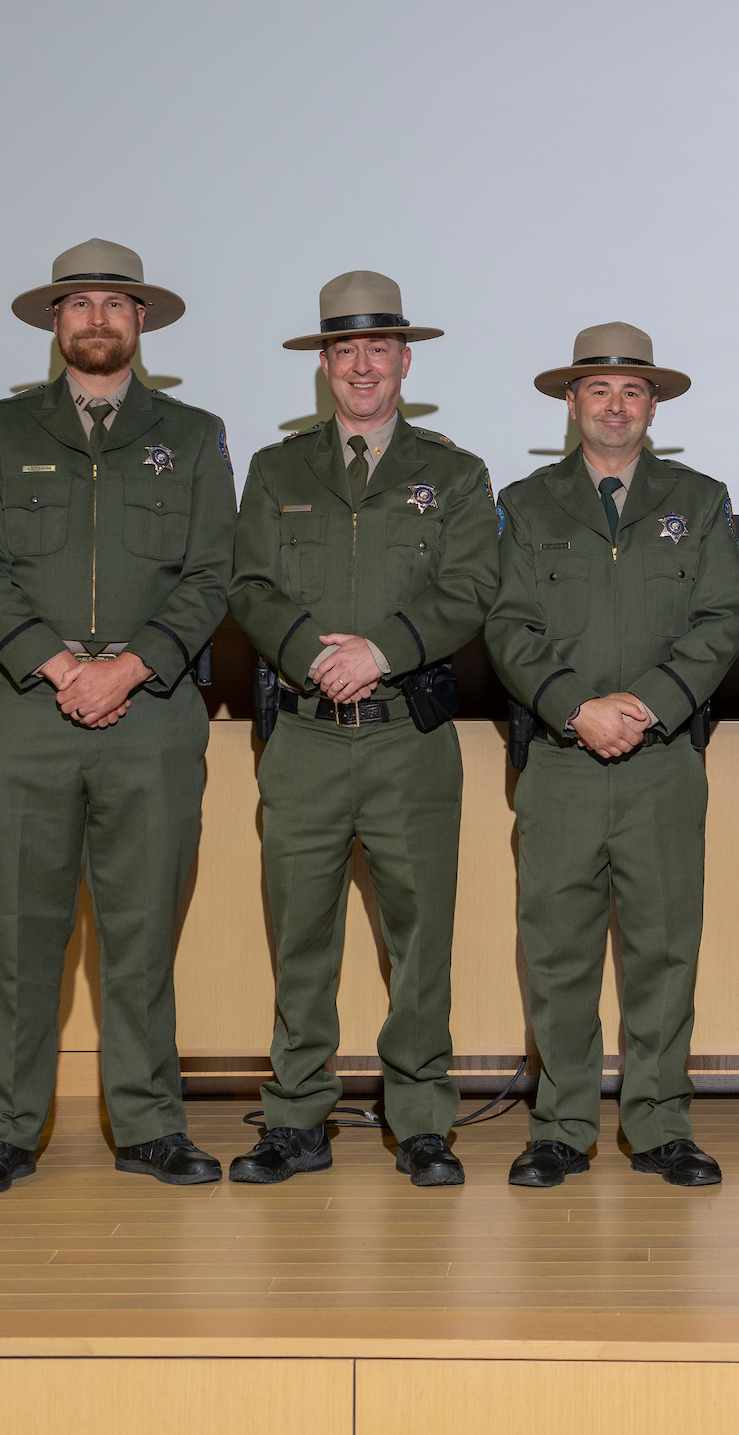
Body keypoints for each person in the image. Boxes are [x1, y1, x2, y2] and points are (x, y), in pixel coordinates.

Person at [0, 238, 235, 1194]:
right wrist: (60, 665)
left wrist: (132, 668)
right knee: (24, 936)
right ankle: (6, 1131)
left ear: (140, 322)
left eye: (117, 304)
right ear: (53, 321)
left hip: (152, 718)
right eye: (81, 304)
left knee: (142, 934)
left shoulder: (193, 436)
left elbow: (211, 575)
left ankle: (149, 1125)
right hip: (28, 717)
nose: (99, 319)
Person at [224, 272, 497, 1187]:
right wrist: (312, 653)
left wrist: (380, 653)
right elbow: (251, 586)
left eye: (379, 349)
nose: (363, 367)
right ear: (325, 367)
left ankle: (420, 1118)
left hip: (405, 739)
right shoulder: (277, 470)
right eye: (345, 351)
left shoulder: (454, 474)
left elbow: (468, 589)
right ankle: (295, 1117)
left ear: (405, 360)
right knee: (301, 935)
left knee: (419, 939)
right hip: (303, 738)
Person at [484, 323, 739, 1188]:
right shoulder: (526, 503)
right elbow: (508, 626)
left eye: (633, 391)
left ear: (654, 405)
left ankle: (661, 1124)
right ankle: (560, 1126)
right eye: (598, 389)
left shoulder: (699, 500)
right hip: (561, 760)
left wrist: (647, 706)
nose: (615, 405)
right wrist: (574, 709)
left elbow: (721, 624)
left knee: (664, 947)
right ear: (571, 403)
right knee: (557, 947)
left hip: (662, 759)